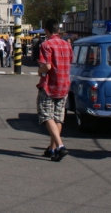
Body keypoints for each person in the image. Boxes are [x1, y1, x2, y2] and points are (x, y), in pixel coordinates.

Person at [37, 18, 73, 162]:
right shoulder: (67, 45)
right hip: (64, 84)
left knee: (47, 115)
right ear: (58, 30)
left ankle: (60, 146)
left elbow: (48, 66)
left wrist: (40, 71)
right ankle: (52, 149)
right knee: (58, 117)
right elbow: (70, 61)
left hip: (50, 85)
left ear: (46, 31)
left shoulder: (46, 45)